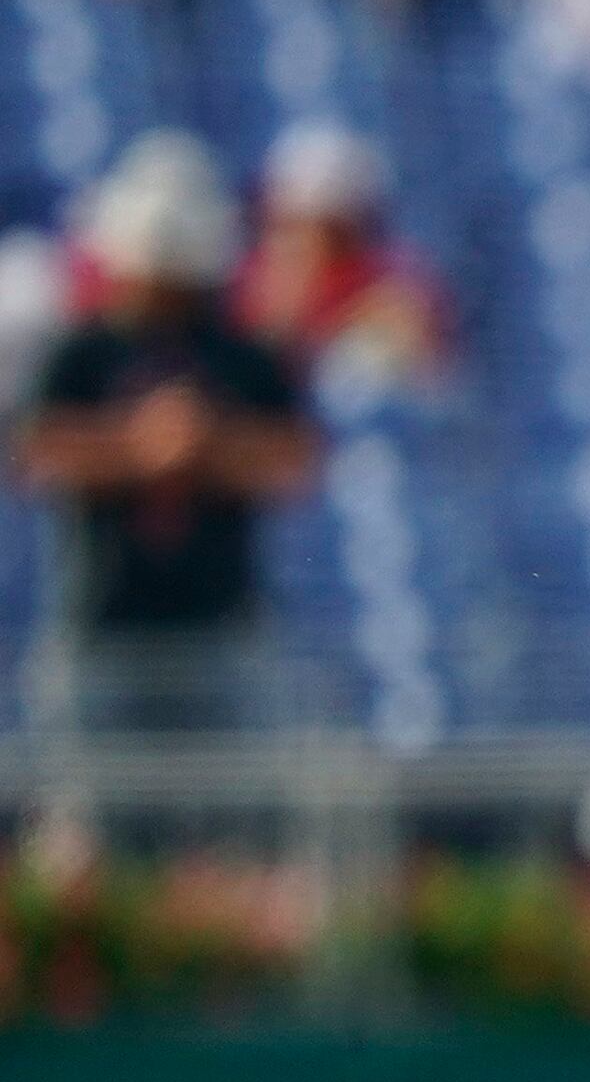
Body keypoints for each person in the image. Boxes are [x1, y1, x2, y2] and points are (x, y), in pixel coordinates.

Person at [17, 132, 314, 728]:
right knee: (96, 794)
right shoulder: (82, 352)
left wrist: (205, 447)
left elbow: (293, 458)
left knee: (229, 805)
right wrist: (140, 449)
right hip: (104, 623)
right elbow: (38, 453)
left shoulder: (243, 355)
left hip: (219, 623)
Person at [230, 122, 444, 402]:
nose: (293, 240)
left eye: (311, 226)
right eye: (284, 224)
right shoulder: (255, 276)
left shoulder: (393, 284)